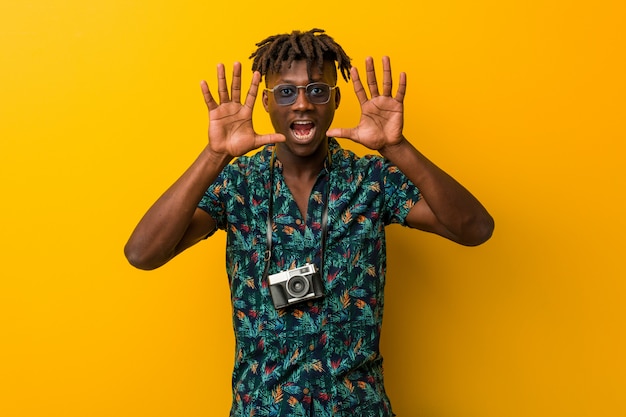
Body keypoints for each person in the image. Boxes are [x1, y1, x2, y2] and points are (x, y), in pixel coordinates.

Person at [125, 28, 494, 417]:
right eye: (286, 92)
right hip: (262, 407)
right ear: (266, 102)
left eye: (317, 90)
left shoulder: (371, 180)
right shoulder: (238, 185)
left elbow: (475, 229)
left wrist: (396, 148)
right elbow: (142, 253)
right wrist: (214, 155)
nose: (302, 103)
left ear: (335, 99)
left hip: (357, 407)